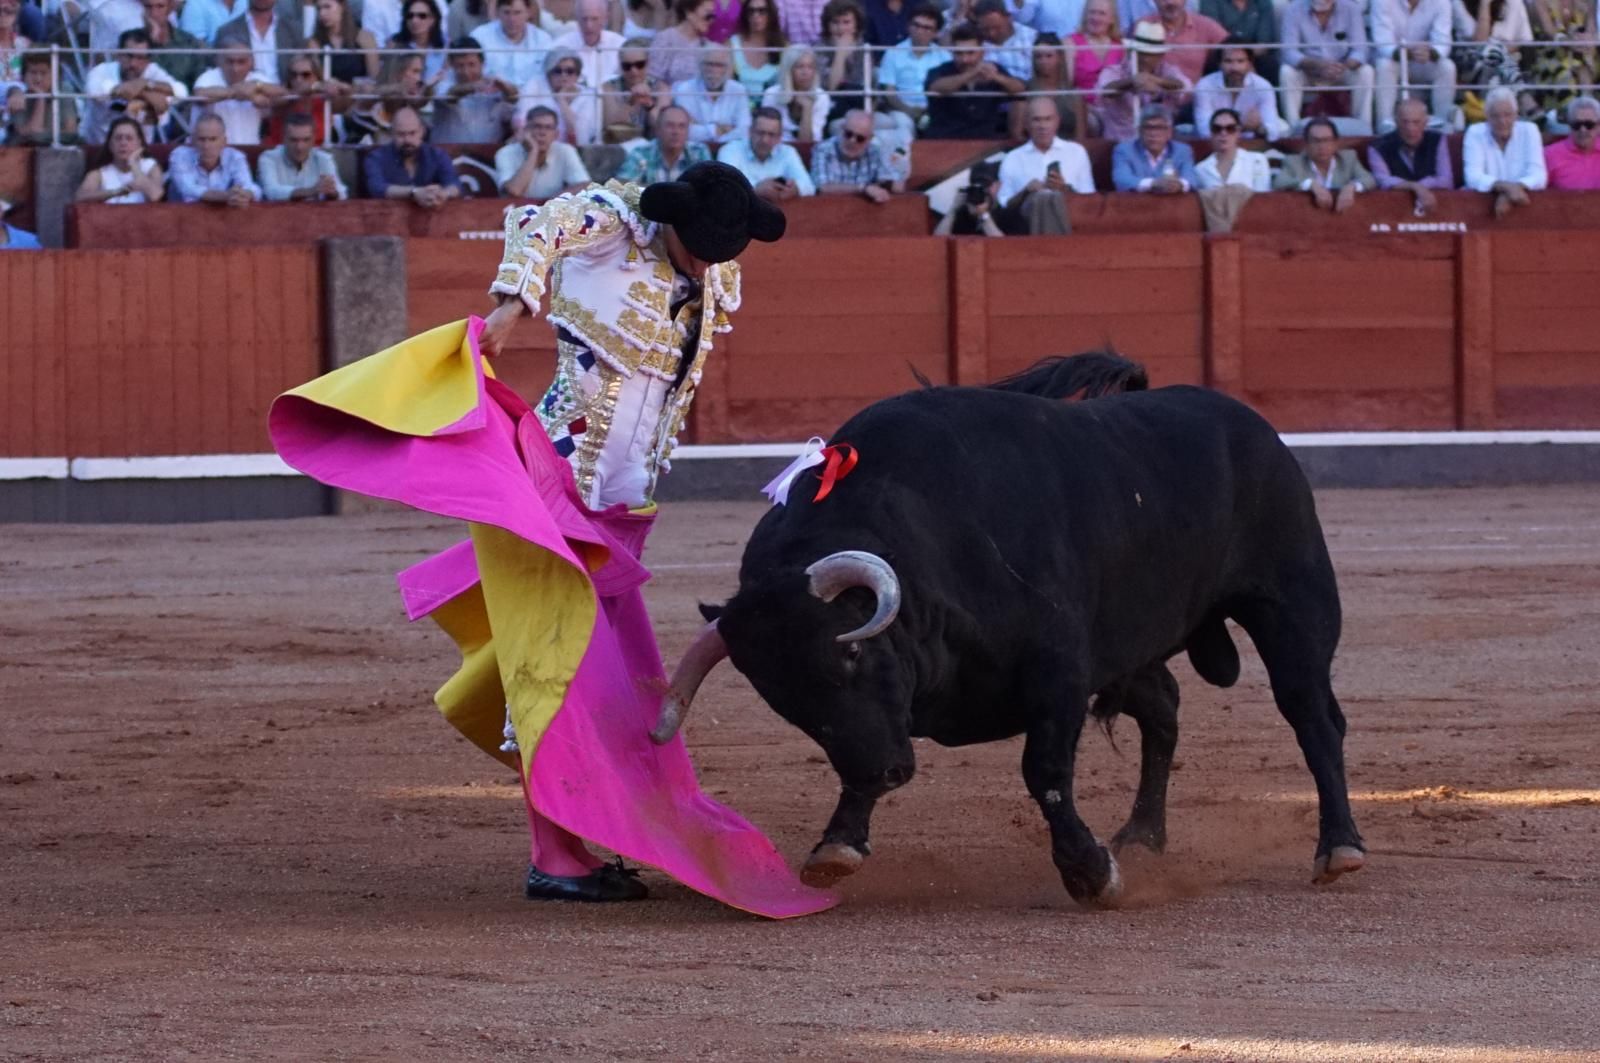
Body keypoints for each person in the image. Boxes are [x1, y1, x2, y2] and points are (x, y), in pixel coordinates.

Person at [269, 163, 830, 918]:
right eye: (697, 251)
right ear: (669, 223)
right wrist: (512, 304)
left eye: (718, 257)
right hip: (556, 487)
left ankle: (594, 832)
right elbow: (539, 225)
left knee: (608, 682)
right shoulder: (616, 221)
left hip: (627, 505)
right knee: (556, 673)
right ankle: (556, 857)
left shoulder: (716, 267)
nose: (706, 267)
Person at [998, 95, 1093, 233]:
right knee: (1040, 200)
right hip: (1026, 226)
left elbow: (1089, 199)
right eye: (1037, 120)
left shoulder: (1077, 152)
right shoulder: (1013, 158)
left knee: (1052, 199)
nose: (1042, 126)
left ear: (1057, 121)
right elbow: (1003, 204)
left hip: (1070, 222)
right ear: (1026, 124)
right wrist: (1026, 192)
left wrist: (1064, 189)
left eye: (1048, 119)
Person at [81, 27, 188, 145]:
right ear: (118, 54)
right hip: (97, 146)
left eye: (140, 57)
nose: (133, 64)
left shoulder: (153, 71)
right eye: (129, 56)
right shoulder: (101, 71)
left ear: (149, 60)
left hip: (138, 152)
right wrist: (145, 91)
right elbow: (99, 93)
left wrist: (146, 84)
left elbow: (181, 92)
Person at [1280, 0, 1374, 129]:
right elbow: (1289, 52)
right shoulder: (1293, 9)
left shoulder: (1351, 9)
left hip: (1341, 69)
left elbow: (1360, 50)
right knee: (1287, 72)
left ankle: (1363, 127)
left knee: (1366, 72)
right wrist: (1318, 66)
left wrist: (1343, 66)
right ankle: (1293, 128)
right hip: (1309, 70)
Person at [1093, 21, 1189, 141]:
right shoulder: (1116, 71)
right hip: (1122, 141)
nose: (1145, 59)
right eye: (1142, 53)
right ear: (1131, 52)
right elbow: (1104, 91)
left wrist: (1157, 81)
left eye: (1151, 54)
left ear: (1161, 55)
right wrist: (1131, 82)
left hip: (1160, 142)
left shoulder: (1167, 70)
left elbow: (1184, 86)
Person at [1462, 84, 1546, 217]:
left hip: (1524, 210)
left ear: (1516, 115)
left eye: (1507, 115)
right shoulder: (1475, 132)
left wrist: (1509, 194)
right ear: (1487, 116)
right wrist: (1507, 188)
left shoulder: (1530, 130)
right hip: (1480, 210)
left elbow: (1539, 176)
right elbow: (1472, 176)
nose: (1502, 121)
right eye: (1495, 116)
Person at [1372, 0, 1456, 125]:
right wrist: (1408, 53)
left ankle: (1441, 123)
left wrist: (1430, 53)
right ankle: (1384, 124)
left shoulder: (1442, 2)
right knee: (1384, 65)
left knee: (1447, 67)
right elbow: (1383, 43)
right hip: (1394, 61)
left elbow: (1442, 42)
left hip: (1423, 60)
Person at [923, 22, 1011, 139]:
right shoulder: (939, 71)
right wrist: (973, 73)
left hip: (986, 141)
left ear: (982, 52)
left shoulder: (994, 69)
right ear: (952, 52)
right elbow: (936, 88)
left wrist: (997, 77)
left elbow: (1019, 89)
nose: (965, 59)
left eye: (970, 53)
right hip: (945, 140)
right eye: (959, 53)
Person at [363, 104, 463, 205]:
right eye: (401, 134)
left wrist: (444, 193)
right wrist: (414, 192)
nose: (407, 140)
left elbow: (455, 185)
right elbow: (376, 188)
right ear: (392, 133)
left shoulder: (437, 155)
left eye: (412, 133)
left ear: (422, 131)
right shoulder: (376, 158)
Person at [1367, 97, 1454, 213]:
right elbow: (1383, 181)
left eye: (1416, 122)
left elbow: (1446, 180)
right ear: (1396, 121)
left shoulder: (1437, 140)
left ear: (1425, 122)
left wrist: (1421, 186)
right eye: (1405, 122)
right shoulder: (1377, 146)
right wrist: (1415, 187)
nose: (1410, 128)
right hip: (1392, 209)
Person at [1273, 114, 1376, 211]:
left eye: (1327, 140)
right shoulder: (1294, 161)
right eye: (1315, 141)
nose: (1321, 146)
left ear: (1336, 143)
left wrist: (1351, 187)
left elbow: (1369, 179)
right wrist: (1311, 184)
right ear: (1306, 144)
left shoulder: (1348, 158)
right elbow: (1279, 182)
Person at [193, 38, 284, 147]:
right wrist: (236, 92)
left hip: (250, 148)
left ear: (251, 62)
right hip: (213, 150)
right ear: (219, 61)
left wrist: (257, 86)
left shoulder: (257, 78)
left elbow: (284, 95)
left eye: (241, 62)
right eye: (230, 62)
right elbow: (199, 95)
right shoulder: (208, 77)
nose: (235, 68)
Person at [717, 103, 815, 198]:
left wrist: (796, 189)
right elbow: (725, 187)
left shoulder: (788, 152)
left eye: (771, 134)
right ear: (750, 131)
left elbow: (809, 186)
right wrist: (755, 189)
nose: (765, 140)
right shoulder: (730, 150)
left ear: (780, 137)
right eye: (760, 133)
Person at [431, 38, 519, 143]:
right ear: (451, 65)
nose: (466, 72)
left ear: (482, 63)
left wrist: (504, 87)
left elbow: (514, 97)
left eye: (471, 64)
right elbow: (451, 93)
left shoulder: (494, 81)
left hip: (488, 154)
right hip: (449, 154)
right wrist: (474, 87)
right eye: (460, 66)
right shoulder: (442, 81)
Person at [876, 4, 949, 127]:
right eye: (916, 25)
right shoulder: (893, 53)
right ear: (908, 26)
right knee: (903, 123)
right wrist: (908, 111)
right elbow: (889, 92)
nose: (920, 31)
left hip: (937, 110)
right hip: (902, 111)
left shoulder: (944, 56)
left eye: (927, 28)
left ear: (936, 33)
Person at [167, 112, 263, 204]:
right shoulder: (180, 155)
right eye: (201, 139)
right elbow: (189, 189)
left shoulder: (235, 157)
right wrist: (227, 196)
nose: (206, 146)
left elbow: (250, 187)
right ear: (192, 141)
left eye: (213, 139)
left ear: (224, 142)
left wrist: (245, 195)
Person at [497, 103, 593, 195]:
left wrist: (552, 203)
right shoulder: (506, 153)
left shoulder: (565, 151)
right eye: (537, 126)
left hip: (551, 209)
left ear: (556, 134)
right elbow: (514, 191)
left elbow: (584, 185)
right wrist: (533, 152)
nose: (542, 133)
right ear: (526, 130)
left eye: (548, 128)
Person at [1193, 45, 1286, 140]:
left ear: (1249, 64)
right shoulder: (1205, 85)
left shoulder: (1262, 86)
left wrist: (1259, 128)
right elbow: (1204, 131)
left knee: (1283, 127)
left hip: (1251, 146)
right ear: (1219, 64)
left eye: (1240, 61)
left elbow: (1273, 131)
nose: (1235, 68)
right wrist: (1242, 125)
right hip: (1215, 147)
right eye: (1228, 61)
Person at [809, 107, 902, 199]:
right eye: (848, 134)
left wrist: (888, 184)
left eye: (860, 138)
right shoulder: (823, 149)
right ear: (842, 129)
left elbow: (897, 185)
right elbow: (822, 188)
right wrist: (863, 188)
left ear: (870, 139)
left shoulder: (875, 152)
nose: (852, 141)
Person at [75, 114, 167, 204]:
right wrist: (116, 192)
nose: (123, 143)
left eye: (129, 138)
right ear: (110, 145)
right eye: (118, 138)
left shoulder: (150, 166)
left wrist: (134, 165)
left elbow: (156, 196)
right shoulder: (100, 172)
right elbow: (80, 197)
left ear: (140, 143)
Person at [1065, 0, 1125, 137]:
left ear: (1111, 19)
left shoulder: (1121, 45)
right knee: (1089, 121)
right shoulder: (1071, 43)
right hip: (1085, 108)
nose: (1096, 18)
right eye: (1092, 12)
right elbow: (1067, 85)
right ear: (1085, 16)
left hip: (1116, 108)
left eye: (1102, 14)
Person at [1132, 0, 1226, 86]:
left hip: (1195, 99)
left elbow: (1234, 48)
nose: (1170, 2)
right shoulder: (1142, 27)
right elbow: (1125, 64)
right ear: (1154, 1)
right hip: (1150, 97)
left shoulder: (1205, 26)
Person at [518, 48, 601, 144]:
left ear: (577, 75)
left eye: (570, 71)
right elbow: (523, 122)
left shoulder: (588, 96)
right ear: (548, 73)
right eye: (558, 71)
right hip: (535, 144)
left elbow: (581, 137)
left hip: (572, 149)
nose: (564, 75)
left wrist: (562, 100)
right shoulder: (535, 85)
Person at [258, 111, 348, 199]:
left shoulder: (323, 159)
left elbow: (342, 193)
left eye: (306, 140)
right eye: (293, 140)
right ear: (283, 138)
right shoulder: (269, 158)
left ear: (314, 139)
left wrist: (332, 192)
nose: (299, 147)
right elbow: (271, 191)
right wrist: (311, 191)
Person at [672, 43, 750, 144]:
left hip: (730, 148)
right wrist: (719, 129)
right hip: (695, 147)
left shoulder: (739, 90)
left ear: (729, 68)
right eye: (709, 64)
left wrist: (702, 128)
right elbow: (685, 131)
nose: (714, 70)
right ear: (699, 66)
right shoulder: (684, 89)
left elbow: (744, 131)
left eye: (720, 65)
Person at [600, 37, 674, 143]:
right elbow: (611, 128)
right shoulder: (609, 88)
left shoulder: (661, 88)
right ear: (620, 66)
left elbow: (663, 129)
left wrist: (649, 105)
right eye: (627, 66)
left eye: (639, 65)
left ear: (648, 63)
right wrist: (630, 103)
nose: (633, 71)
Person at [1110, 103, 1197, 190]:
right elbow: (1121, 181)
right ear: (1139, 131)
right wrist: (1153, 184)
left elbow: (1191, 180)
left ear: (1169, 132)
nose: (1153, 133)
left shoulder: (1183, 150)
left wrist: (1179, 184)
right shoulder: (1124, 150)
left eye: (1159, 128)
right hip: (1135, 202)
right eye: (1148, 127)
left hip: (1171, 202)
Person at [616, 102, 712, 180]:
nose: (676, 132)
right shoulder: (641, 153)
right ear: (658, 129)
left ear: (688, 131)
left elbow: (710, 189)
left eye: (682, 126)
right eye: (670, 125)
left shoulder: (699, 152)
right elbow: (623, 186)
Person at [1008, 32, 1076, 140]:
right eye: (1038, 57)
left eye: (1049, 56)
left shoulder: (1074, 94)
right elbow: (1017, 134)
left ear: (1059, 57)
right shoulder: (1025, 91)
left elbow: (1080, 136)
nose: (1044, 61)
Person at [471, 0, 554, 85]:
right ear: (497, 12)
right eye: (506, 12)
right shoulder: (479, 37)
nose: (512, 19)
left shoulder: (543, 40)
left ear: (528, 13)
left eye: (517, 13)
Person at [761, 43, 831, 141]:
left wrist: (808, 109)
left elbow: (807, 143)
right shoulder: (771, 94)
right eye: (800, 67)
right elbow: (767, 136)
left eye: (810, 67)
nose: (805, 72)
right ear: (788, 70)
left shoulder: (821, 97)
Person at [1199, 0, 1279, 82]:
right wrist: (1238, 60)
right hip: (1222, 54)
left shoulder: (1263, 3)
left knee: (1269, 64)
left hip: (1254, 55)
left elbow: (1264, 43)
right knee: (1211, 63)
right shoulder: (1210, 2)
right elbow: (1213, 37)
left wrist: (1245, 59)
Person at [1193, 105, 1269, 188]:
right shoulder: (1201, 170)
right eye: (1217, 129)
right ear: (1211, 134)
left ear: (1238, 133)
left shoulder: (1257, 161)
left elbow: (1262, 197)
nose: (1223, 133)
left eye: (1230, 128)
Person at [556, 0, 627, 88]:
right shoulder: (561, 46)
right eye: (584, 19)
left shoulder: (620, 45)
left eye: (594, 19)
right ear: (576, 18)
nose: (589, 25)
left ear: (605, 19)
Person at [731, 0, 787, 99]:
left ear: (771, 14)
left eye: (762, 11)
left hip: (774, 109)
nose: (756, 15)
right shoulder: (731, 45)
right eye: (751, 11)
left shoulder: (784, 48)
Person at [649, 0, 714, 84]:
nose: (711, 20)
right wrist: (661, 87)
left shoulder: (707, 45)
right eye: (708, 15)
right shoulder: (666, 39)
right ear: (689, 13)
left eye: (713, 16)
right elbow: (651, 77)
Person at [933, 159, 1004, 235]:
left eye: (986, 184)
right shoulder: (964, 214)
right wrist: (953, 210)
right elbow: (938, 241)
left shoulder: (1006, 214)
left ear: (998, 184)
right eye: (975, 183)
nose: (982, 189)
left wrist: (983, 215)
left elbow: (1005, 245)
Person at [1544, 95, 1600, 190]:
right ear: (1569, 125)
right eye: (1576, 124)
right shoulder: (1549, 155)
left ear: (1599, 126)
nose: (1583, 130)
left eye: (1589, 125)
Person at [391, 0, 449, 83]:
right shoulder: (395, 44)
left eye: (422, 16)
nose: (414, 21)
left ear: (433, 19)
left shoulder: (446, 44)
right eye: (410, 16)